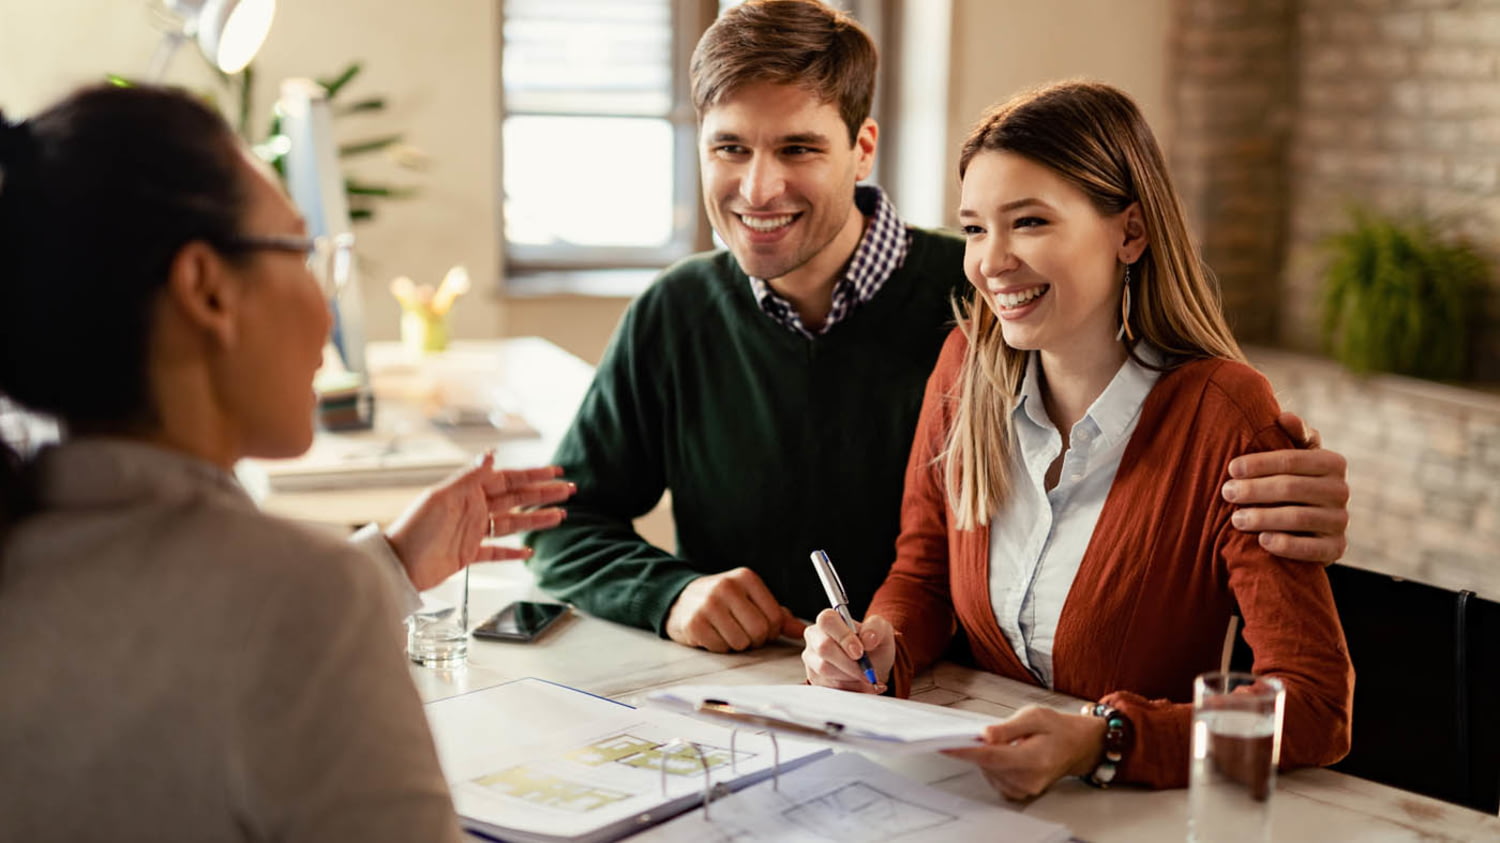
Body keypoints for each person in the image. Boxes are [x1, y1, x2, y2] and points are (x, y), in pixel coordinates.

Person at [527, 0, 1351, 654]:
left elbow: (1156, 440)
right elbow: (564, 525)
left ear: (863, 149)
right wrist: (672, 594)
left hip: (963, 709)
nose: (758, 186)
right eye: (730, 147)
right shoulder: (675, 313)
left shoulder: (998, 306)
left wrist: (1280, 478)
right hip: (754, 702)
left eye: (799, 148)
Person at [0, 84, 572, 841]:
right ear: (207, 289)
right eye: (302, 253)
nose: (327, 310)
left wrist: (392, 561)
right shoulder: (302, 599)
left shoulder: (29, 541)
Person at [801, 80, 1354, 795]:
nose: (990, 261)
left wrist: (1107, 738)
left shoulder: (1226, 416)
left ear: (1130, 231)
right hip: (972, 799)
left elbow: (1314, 705)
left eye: (1028, 221)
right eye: (974, 228)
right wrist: (882, 643)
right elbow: (923, 573)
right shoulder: (964, 372)